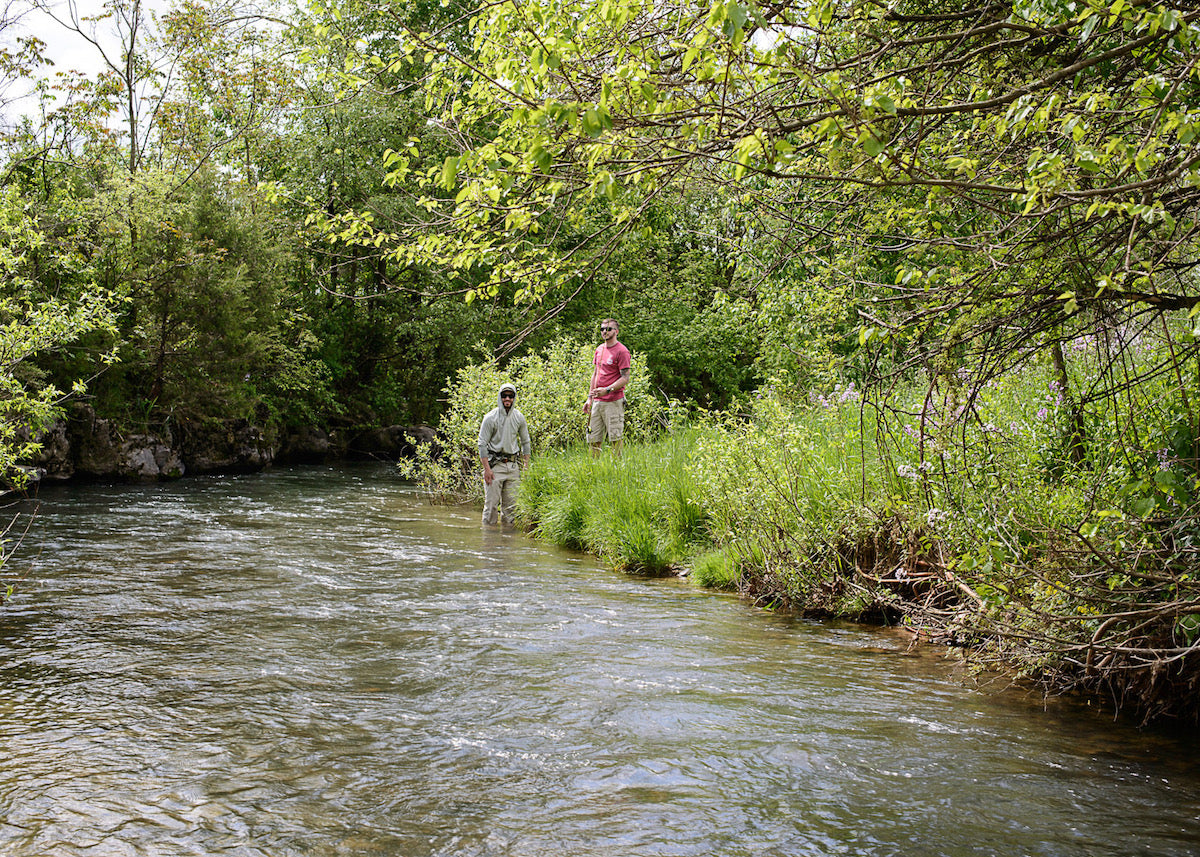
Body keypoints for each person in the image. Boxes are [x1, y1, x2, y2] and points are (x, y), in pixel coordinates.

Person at [478, 382, 531, 526]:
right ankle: (488, 543)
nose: (507, 399)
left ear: (514, 398)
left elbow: (526, 442)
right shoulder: (490, 417)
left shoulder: (519, 417)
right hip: (495, 467)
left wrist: (526, 465)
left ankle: (508, 545)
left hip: (513, 468)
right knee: (491, 509)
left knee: (511, 511)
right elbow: (482, 444)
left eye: (510, 396)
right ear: (500, 397)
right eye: (504, 396)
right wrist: (486, 469)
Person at [583, 317, 631, 457]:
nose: (605, 331)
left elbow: (625, 378)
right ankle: (594, 469)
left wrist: (607, 389)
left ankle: (617, 469)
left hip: (614, 401)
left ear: (616, 331)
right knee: (593, 439)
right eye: (602, 329)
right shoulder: (599, 350)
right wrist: (589, 399)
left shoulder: (622, 351)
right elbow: (595, 374)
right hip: (597, 402)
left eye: (608, 329)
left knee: (615, 438)